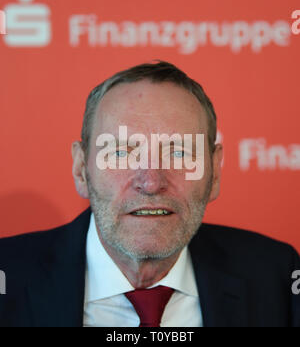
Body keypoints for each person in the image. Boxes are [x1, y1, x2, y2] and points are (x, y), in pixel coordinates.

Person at [0, 61, 299, 327]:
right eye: (121, 152)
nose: (151, 182)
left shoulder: (276, 278)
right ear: (81, 169)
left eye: (179, 153)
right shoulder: (7, 275)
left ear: (215, 171)